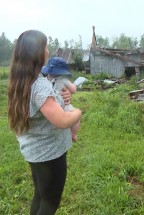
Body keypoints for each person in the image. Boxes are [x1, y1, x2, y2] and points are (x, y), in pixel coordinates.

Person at [7, 30, 82, 215]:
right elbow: (62, 120)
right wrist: (78, 112)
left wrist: (61, 95)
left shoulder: (22, 80)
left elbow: (44, 102)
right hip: (49, 155)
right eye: (46, 46)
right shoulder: (38, 84)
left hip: (35, 152)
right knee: (50, 202)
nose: (48, 51)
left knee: (40, 195)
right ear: (38, 52)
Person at [42, 57, 80, 142]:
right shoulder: (63, 80)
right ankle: (73, 134)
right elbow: (73, 90)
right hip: (63, 105)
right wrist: (75, 85)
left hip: (51, 106)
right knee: (76, 118)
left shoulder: (43, 81)